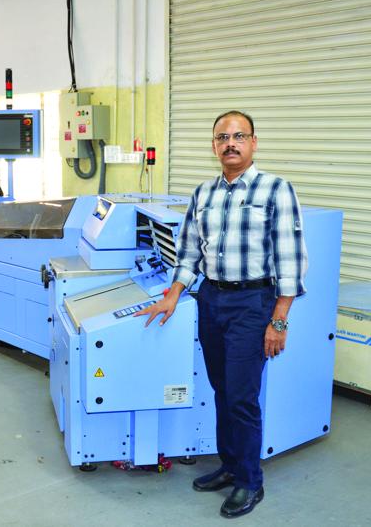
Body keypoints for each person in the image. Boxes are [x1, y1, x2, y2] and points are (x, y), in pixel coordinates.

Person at [135, 110, 308, 518]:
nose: (230, 144)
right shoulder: (203, 193)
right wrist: (173, 294)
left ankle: (250, 481)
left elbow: (290, 260)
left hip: (254, 302)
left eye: (238, 136)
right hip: (212, 300)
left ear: (253, 142)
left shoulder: (276, 190)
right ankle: (230, 466)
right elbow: (189, 252)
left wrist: (279, 320)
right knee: (222, 390)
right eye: (222, 137)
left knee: (242, 397)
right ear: (214, 145)